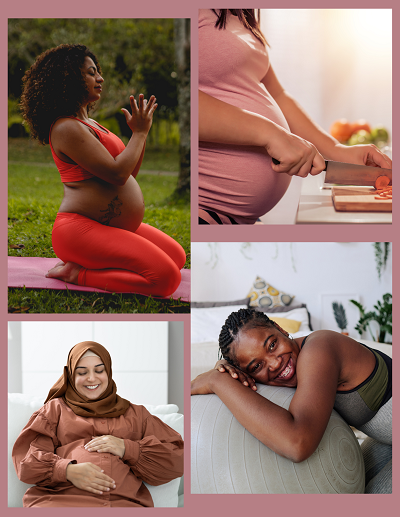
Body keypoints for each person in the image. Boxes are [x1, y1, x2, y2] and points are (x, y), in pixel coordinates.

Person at [20, 44, 186, 296]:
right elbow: (117, 174)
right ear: (69, 79)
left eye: (97, 72)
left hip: (111, 226)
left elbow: (128, 174)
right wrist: (140, 133)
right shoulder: (66, 127)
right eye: (91, 72)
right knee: (165, 280)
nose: (100, 78)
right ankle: (77, 273)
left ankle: (92, 262)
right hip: (79, 230)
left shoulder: (92, 124)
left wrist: (138, 134)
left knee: (177, 257)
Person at [198, 9, 392, 224]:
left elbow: (277, 95)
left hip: (239, 222)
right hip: (204, 213)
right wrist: (270, 133)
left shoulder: (240, 13)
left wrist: (336, 151)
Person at [191, 309, 392, 493]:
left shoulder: (320, 349)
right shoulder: (285, 365)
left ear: (280, 329)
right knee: (355, 490)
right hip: (387, 439)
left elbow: (298, 443)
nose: (276, 363)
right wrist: (226, 370)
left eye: (272, 344)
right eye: (257, 366)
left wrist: (216, 381)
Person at [13, 341, 184, 507]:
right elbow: (26, 461)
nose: (91, 378)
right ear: (71, 376)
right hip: (60, 502)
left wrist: (127, 448)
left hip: (122, 504)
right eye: (81, 372)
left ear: (108, 372)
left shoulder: (136, 414)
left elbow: (178, 458)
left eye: (99, 370)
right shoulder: (54, 410)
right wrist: (66, 470)